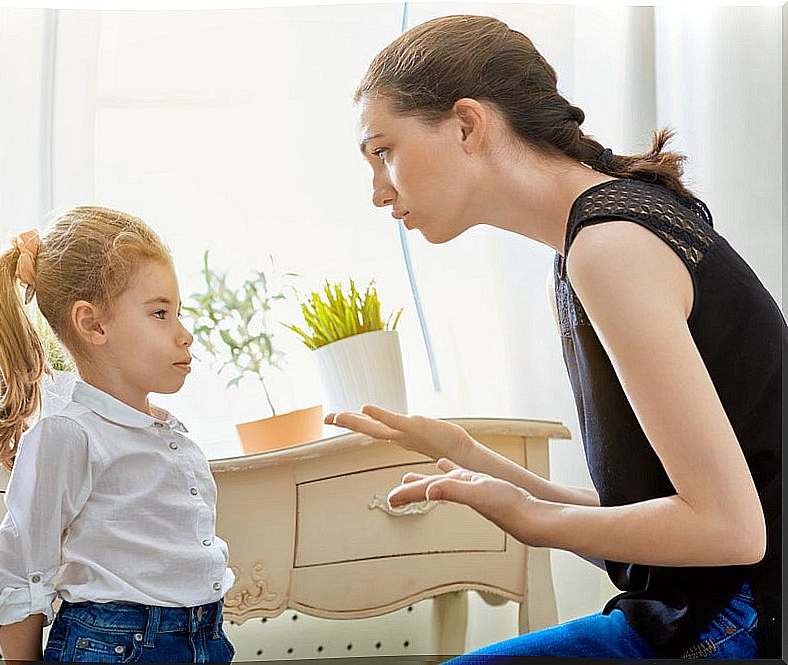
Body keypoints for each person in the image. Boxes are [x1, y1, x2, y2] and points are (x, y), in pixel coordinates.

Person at [327, 14, 783, 660]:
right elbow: (665, 517)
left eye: (383, 151)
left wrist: (535, 521)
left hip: (743, 613)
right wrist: (469, 454)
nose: (378, 191)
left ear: (466, 125)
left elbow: (730, 531)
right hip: (713, 603)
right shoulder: (591, 244)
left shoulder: (609, 248)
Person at [0, 207, 236, 663]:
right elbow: (17, 571)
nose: (185, 335)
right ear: (93, 324)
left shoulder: (171, 436)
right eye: (160, 313)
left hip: (203, 639)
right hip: (116, 647)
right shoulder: (69, 435)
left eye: (178, 314)